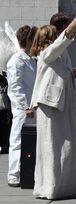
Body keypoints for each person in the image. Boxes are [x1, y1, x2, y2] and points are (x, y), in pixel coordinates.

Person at [30, 17, 76, 200]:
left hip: (62, 105)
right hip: (50, 105)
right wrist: (69, 29)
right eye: (56, 35)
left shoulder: (61, 55)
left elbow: (70, 81)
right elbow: (53, 50)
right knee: (51, 146)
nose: (59, 36)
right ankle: (50, 187)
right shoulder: (46, 54)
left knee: (66, 145)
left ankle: (66, 185)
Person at [6, 25, 37, 187]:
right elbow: (15, 86)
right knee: (17, 139)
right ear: (28, 40)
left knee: (31, 141)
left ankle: (27, 171)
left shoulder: (31, 60)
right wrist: (25, 106)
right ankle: (13, 173)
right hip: (22, 108)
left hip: (33, 107)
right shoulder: (17, 60)